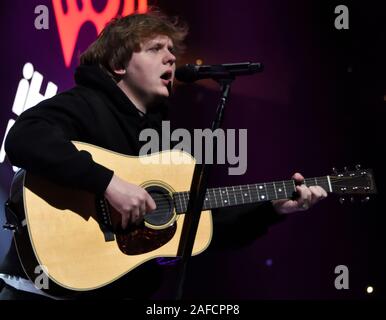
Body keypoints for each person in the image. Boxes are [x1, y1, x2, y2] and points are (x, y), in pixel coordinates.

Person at [0, 10, 327, 300]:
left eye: (172, 51)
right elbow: (24, 138)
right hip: (41, 291)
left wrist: (270, 209)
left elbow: (200, 225)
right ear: (118, 64)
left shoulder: (164, 140)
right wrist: (109, 183)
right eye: (156, 49)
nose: (171, 58)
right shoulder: (86, 104)